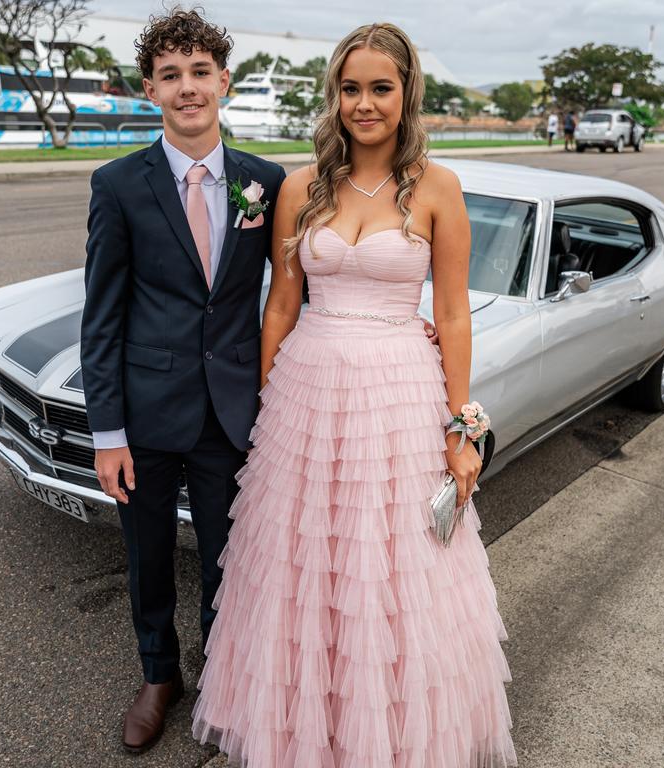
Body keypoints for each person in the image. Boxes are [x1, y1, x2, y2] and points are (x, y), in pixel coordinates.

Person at [79, 8, 439, 756]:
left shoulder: (267, 182)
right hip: (145, 413)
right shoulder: (117, 185)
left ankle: (225, 679)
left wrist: (399, 326)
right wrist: (107, 433)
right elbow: (102, 318)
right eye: (171, 76)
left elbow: (301, 287)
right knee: (147, 558)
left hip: (235, 410)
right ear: (150, 90)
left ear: (224, 82)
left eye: (200, 73)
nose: (187, 89)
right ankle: (158, 677)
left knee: (233, 559)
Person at [192, 22, 518, 767]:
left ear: (406, 95)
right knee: (303, 563)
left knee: (395, 565)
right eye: (350, 88)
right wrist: (266, 407)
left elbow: (454, 313)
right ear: (333, 95)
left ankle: (390, 738)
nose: (364, 104)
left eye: (380, 88)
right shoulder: (300, 186)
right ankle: (311, 727)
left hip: (400, 392)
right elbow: (281, 304)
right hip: (308, 392)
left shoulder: (438, 187)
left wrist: (462, 427)